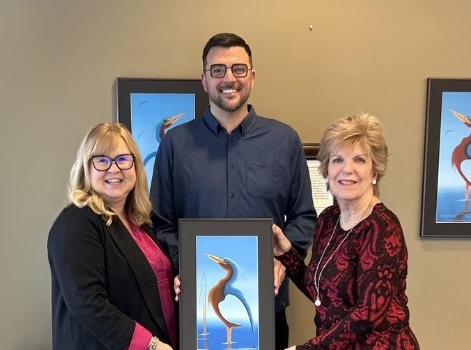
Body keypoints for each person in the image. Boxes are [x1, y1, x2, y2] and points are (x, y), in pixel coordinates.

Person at [150, 32, 317, 349]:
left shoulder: (284, 141)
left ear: (252, 77)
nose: (229, 78)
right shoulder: (175, 145)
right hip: (198, 308)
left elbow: (303, 217)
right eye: (218, 70)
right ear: (204, 79)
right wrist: (188, 264)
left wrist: (282, 261)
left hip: (267, 305)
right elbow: (162, 222)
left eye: (239, 69)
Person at [272, 113, 420, 349]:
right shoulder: (328, 221)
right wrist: (287, 254)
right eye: (337, 160)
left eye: (359, 160)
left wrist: (308, 349)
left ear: (374, 172)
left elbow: (369, 312)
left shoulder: (382, 227)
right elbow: (321, 293)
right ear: (327, 170)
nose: (347, 169)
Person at [48, 123, 176, 350]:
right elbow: (87, 303)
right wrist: (151, 345)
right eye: (102, 160)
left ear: (135, 166)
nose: (114, 169)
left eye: (123, 159)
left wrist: (177, 284)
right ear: (86, 168)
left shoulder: (139, 223)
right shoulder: (77, 222)